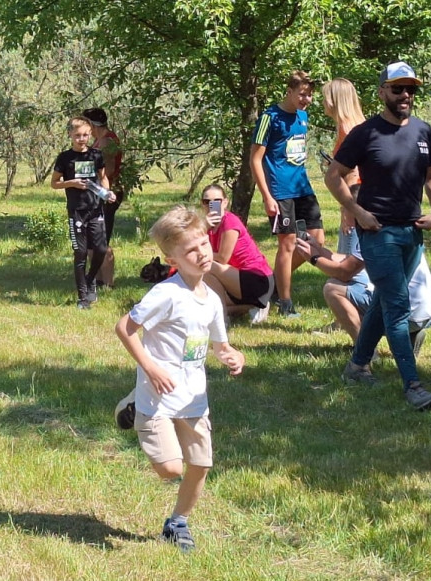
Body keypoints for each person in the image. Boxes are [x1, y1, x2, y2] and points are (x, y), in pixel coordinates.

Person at [113, 206, 244, 553]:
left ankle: (177, 522)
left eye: (203, 244)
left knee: (200, 466)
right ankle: (131, 404)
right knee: (171, 469)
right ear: (172, 258)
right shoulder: (166, 294)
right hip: (157, 397)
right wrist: (151, 368)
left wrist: (232, 356)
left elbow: (221, 345)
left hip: (193, 399)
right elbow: (124, 328)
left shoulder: (213, 300)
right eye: (190, 250)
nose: (201, 253)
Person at [324, 61, 431, 411]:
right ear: (382, 92)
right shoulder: (365, 133)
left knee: (382, 302)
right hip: (377, 234)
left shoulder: (423, 131)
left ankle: (357, 365)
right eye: (397, 89)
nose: (405, 95)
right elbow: (334, 176)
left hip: (413, 233)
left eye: (411, 89)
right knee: (396, 307)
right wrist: (357, 210)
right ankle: (413, 385)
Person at [250, 70, 323, 318]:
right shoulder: (270, 117)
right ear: (289, 91)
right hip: (280, 190)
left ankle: (274, 281)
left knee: (316, 240)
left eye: (310, 95)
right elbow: (255, 159)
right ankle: (285, 301)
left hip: (303, 187)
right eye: (302, 94)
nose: (306, 99)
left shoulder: (303, 116)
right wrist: (267, 196)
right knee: (288, 243)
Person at [294, 232, 431, 351]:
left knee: (332, 289)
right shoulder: (390, 225)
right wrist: (317, 249)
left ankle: (364, 353)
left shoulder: (372, 234)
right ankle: (410, 336)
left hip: (404, 315)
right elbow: (347, 262)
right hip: (422, 311)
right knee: (358, 277)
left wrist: (314, 258)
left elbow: (343, 272)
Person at [51, 116, 116, 309]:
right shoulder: (65, 158)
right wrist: (71, 183)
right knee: (80, 252)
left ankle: (90, 280)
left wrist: (108, 192)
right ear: (70, 134)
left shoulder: (96, 155)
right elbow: (54, 183)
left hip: (96, 209)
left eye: (85, 135)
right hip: (76, 211)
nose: (82, 139)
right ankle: (82, 297)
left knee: (101, 249)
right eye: (78, 135)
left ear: (90, 134)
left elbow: (103, 178)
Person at [201, 184, 275, 323]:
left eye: (217, 201)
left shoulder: (229, 221)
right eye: (207, 202)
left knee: (206, 265)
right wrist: (203, 227)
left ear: (225, 202)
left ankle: (222, 318)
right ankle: (253, 306)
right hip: (234, 279)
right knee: (204, 305)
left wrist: (202, 256)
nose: (212, 205)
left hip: (257, 279)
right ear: (202, 204)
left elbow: (222, 258)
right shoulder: (207, 226)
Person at [82, 107, 124, 288]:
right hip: (95, 194)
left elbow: (109, 170)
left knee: (101, 240)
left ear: (92, 124)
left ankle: (108, 283)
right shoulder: (99, 141)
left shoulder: (107, 142)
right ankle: (98, 280)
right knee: (92, 242)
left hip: (106, 195)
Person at [321, 78, 367, 236]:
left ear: (335, 100)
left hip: (356, 198)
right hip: (365, 196)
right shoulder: (360, 125)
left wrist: (347, 211)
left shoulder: (346, 129)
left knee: (350, 257)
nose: (323, 102)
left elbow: (352, 173)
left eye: (325, 98)